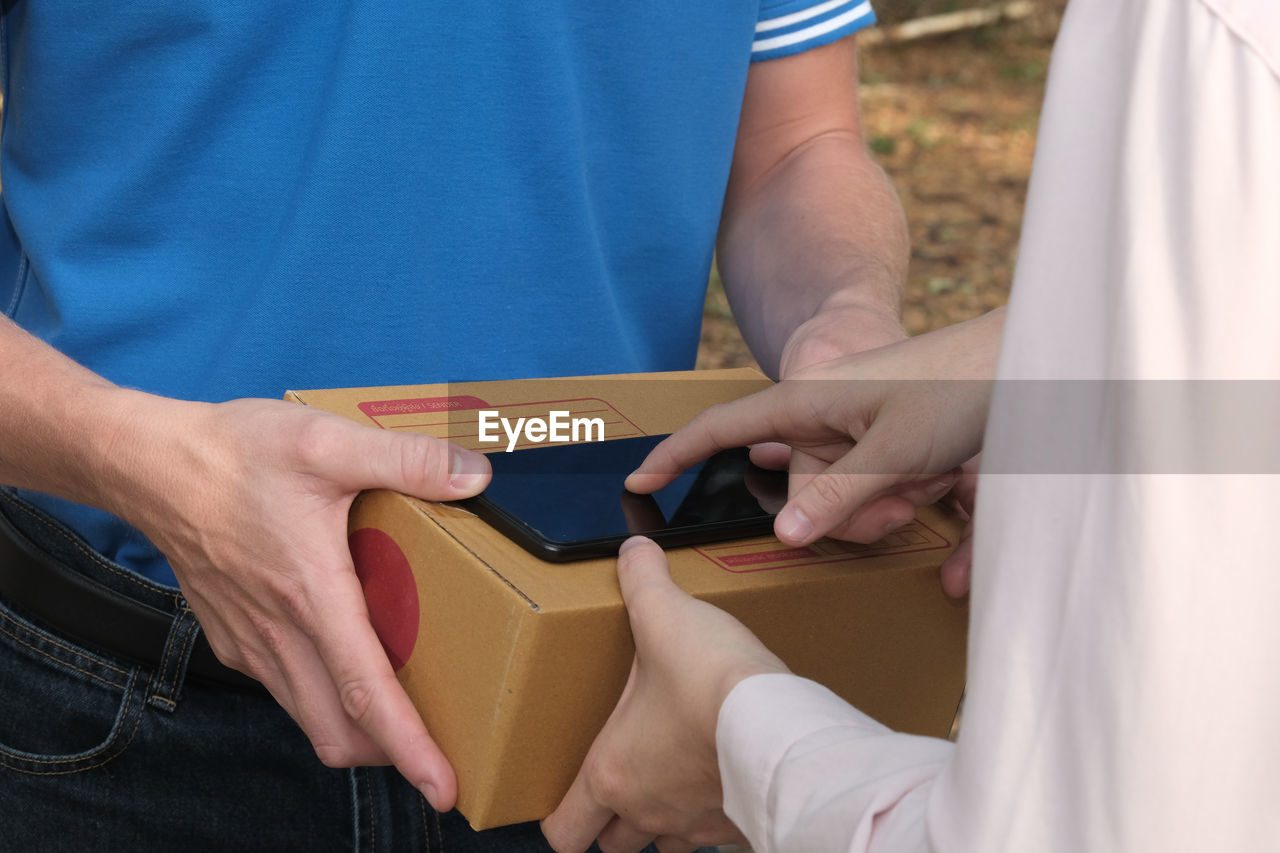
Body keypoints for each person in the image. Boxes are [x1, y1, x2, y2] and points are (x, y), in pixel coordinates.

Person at [0, 2, 958, 850]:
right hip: (126, 684)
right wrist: (145, 466)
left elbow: (798, 144)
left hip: (603, 679)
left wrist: (845, 327)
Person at [541, 0, 1280, 850]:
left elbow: (1088, 822)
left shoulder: (1199, 35)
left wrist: (744, 744)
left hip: (641, 649)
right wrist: (991, 364)